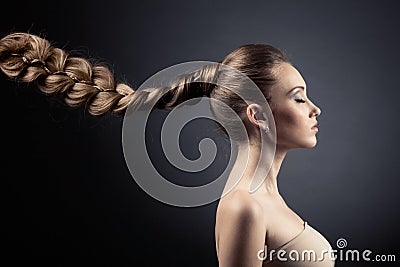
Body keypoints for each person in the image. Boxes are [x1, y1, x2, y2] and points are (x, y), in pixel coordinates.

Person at [0, 32, 335, 266]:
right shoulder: (245, 208)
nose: (314, 108)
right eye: (298, 96)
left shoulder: (266, 201)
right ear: (257, 114)